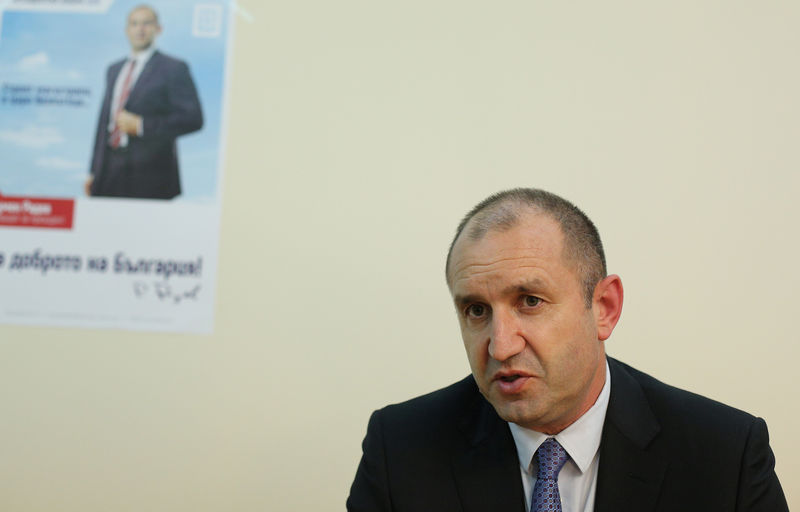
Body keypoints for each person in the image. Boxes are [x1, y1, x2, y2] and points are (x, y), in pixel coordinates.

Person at [347, 188, 788, 511]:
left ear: (604, 308)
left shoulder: (723, 456)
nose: (500, 346)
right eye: (477, 310)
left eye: (530, 301)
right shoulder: (401, 449)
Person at [86, 4, 203, 199]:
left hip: (151, 175)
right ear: (127, 29)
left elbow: (193, 119)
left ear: (159, 29)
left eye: (147, 23)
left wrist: (142, 125)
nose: (140, 29)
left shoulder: (174, 68)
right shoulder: (113, 69)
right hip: (109, 172)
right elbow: (102, 123)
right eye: (134, 24)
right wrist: (93, 171)